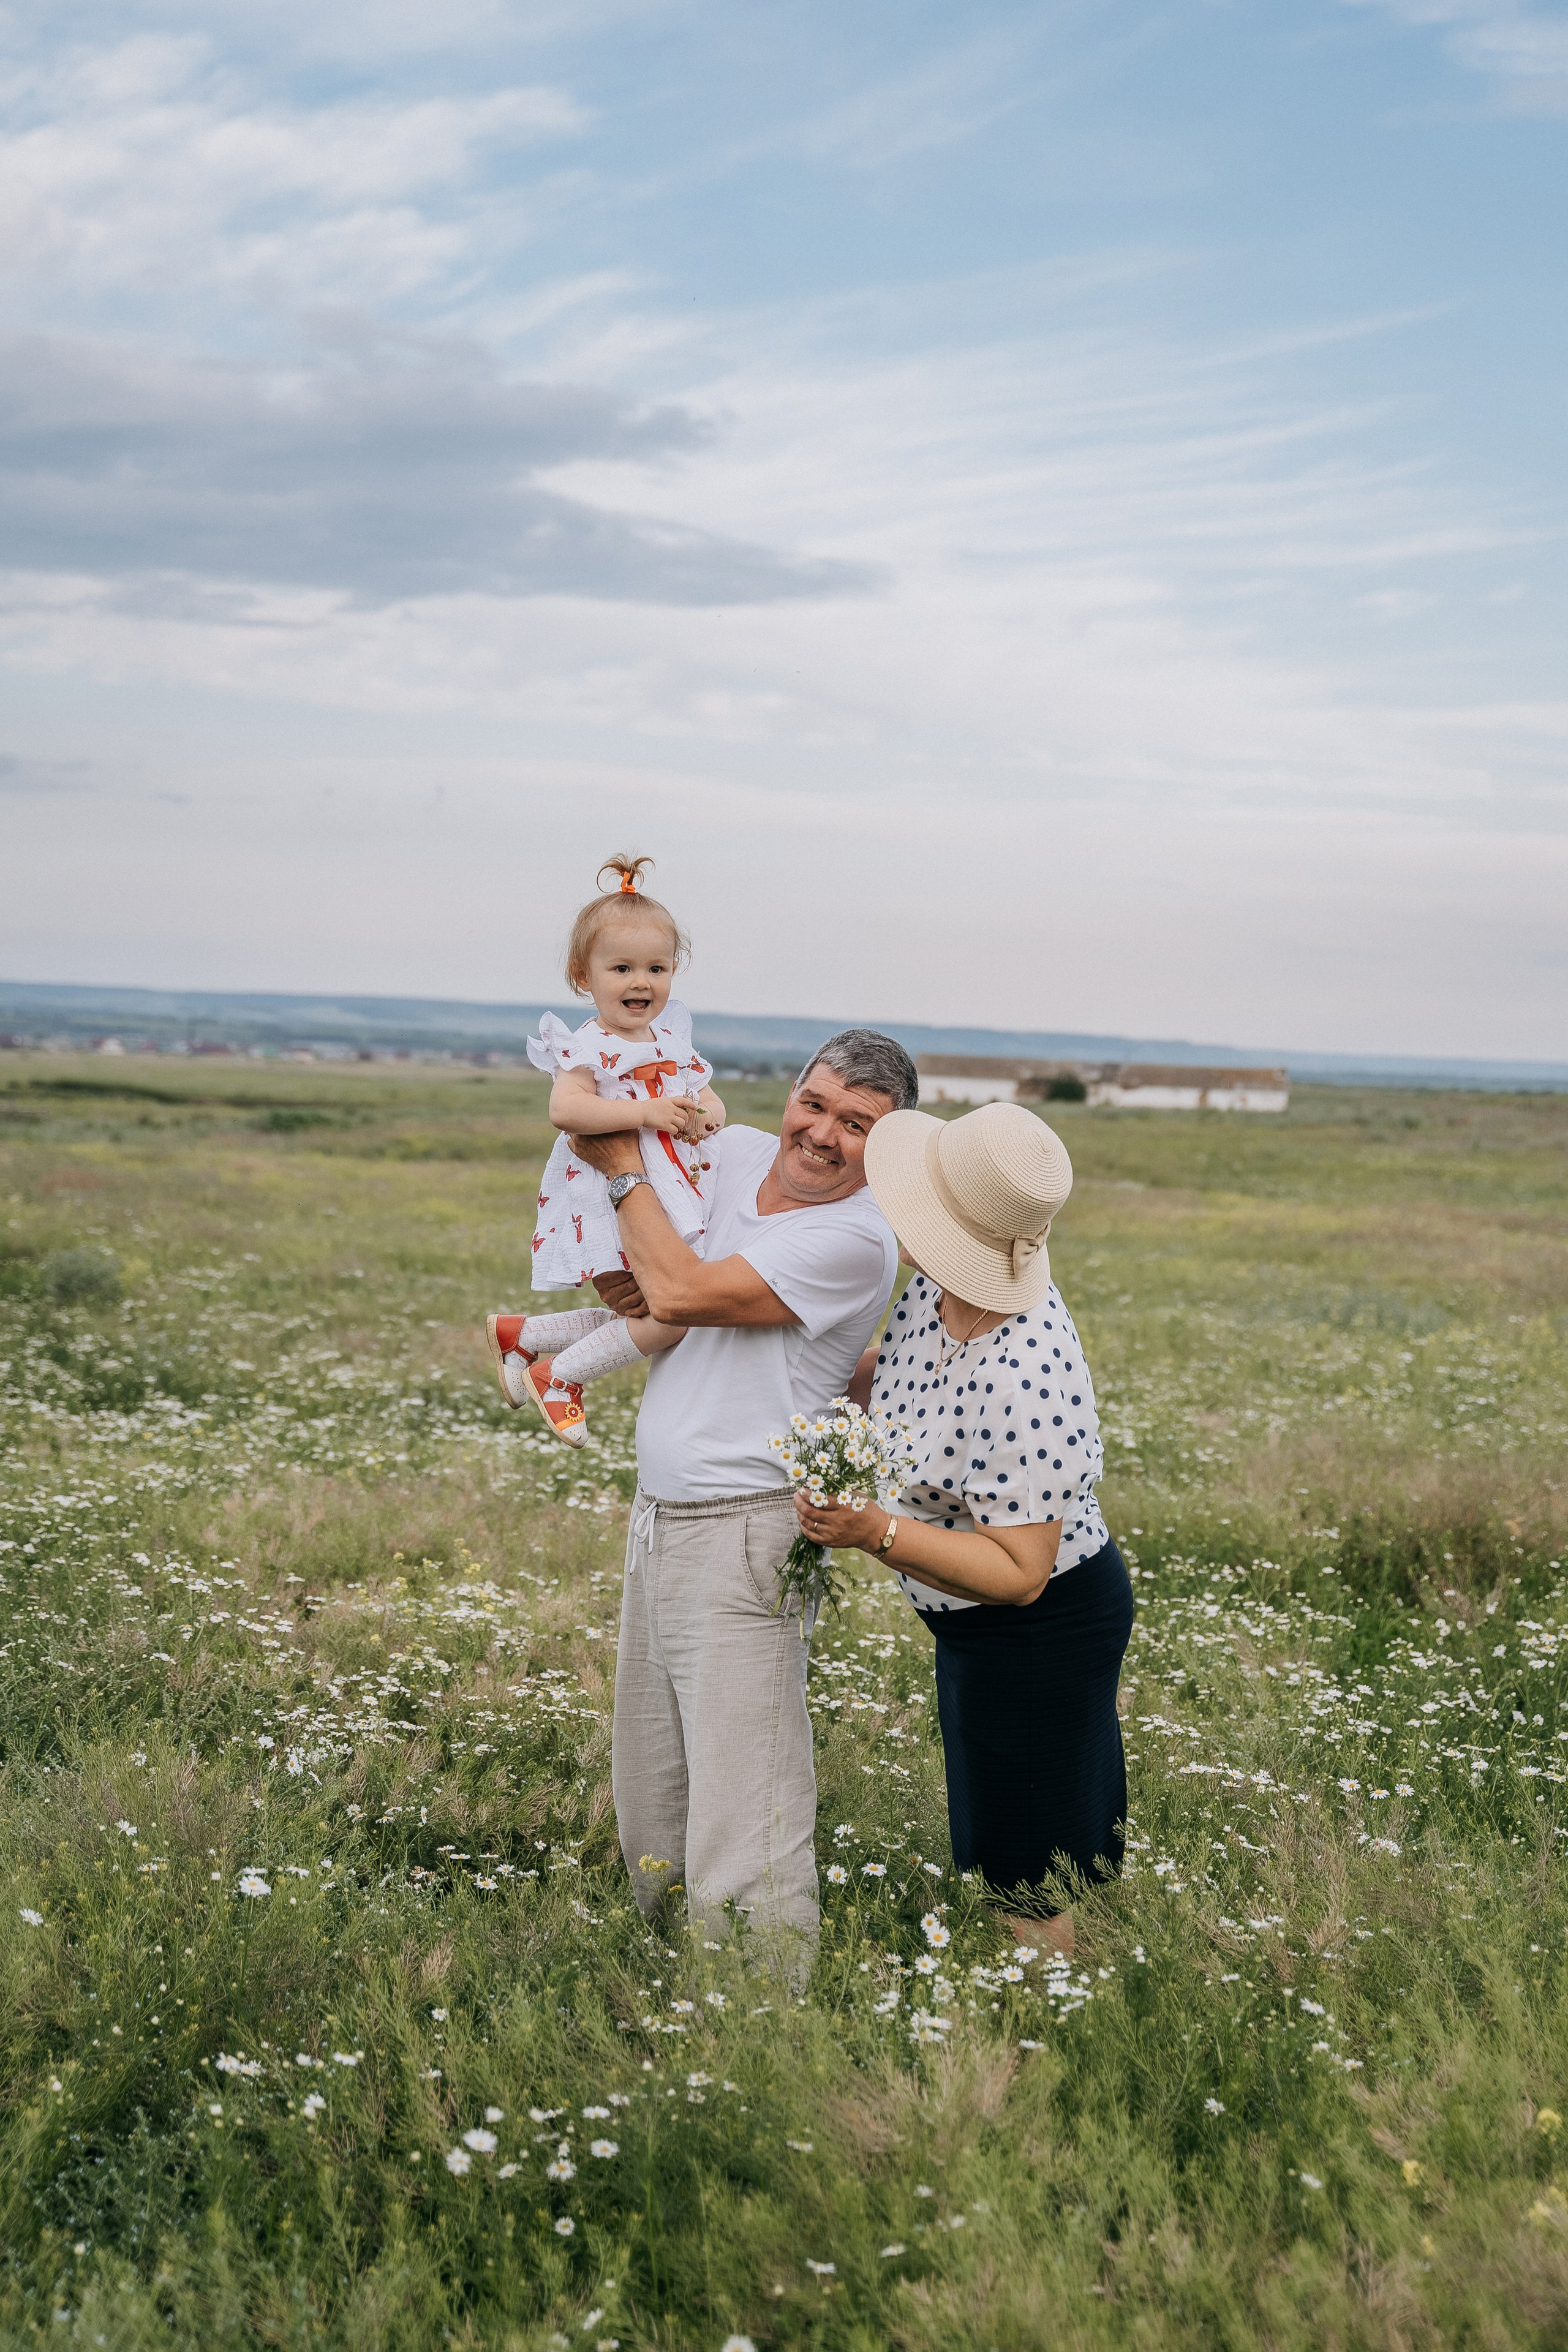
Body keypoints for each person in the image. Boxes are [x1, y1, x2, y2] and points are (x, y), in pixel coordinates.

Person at [570, 1030, 914, 1976]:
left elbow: (679, 1291)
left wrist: (620, 1165)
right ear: (793, 1093)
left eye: (857, 1126)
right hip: (661, 1518)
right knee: (655, 1785)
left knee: (746, 1799)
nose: (822, 1135)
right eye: (816, 1104)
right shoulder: (740, 1152)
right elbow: (630, 1227)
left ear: (885, 1147)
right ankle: (672, 1987)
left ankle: (760, 2013)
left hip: (748, 1529)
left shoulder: (856, 1238)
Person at [796, 1099, 1133, 1958]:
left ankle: (1042, 2010)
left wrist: (874, 1531)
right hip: (977, 1626)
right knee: (1006, 1825)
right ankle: (1040, 1980)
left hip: (1039, 1627)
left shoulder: (1026, 1370)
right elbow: (896, 1375)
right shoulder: (939, 1291)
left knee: (1028, 1860)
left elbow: (1020, 1573)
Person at [485, 852, 726, 1448]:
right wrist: (644, 1112)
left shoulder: (672, 1039)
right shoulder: (588, 1045)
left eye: (656, 968)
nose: (641, 982)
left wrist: (704, 1117)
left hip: (665, 1184)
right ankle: (560, 1376)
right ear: (583, 977)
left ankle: (525, 1336)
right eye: (621, 968)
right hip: (610, 1192)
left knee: (646, 1309)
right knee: (668, 1316)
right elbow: (566, 1110)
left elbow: (708, 1098)